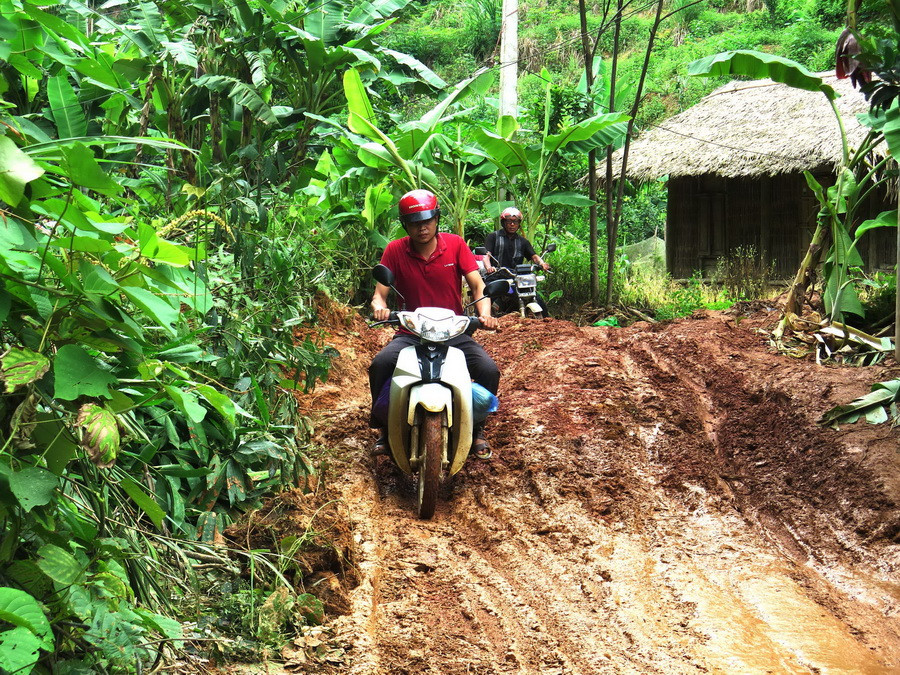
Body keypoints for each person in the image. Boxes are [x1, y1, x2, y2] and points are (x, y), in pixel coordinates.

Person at [369, 189, 500, 459]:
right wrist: (380, 309)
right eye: (414, 221)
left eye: (427, 220)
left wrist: (484, 312)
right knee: (380, 365)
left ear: (437, 218)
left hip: (452, 330)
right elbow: (379, 294)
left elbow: (478, 285)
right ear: (405, 224)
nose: (422, 227)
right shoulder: (394, 249)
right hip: (411, 332)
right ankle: (383, 426)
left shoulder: (455, 244)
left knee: (489, 371)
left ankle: (477, 429)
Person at [484, 207, 551, 314]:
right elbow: (486, 256)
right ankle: (484, 320)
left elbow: (534, 256)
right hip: (496, 275)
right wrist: (489, 268)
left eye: (515, 222)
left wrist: (542, 264)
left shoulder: (523, 241)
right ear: (503, 222)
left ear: (519, 224)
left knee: (536, 297)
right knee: (487, 297)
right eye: (509, 221)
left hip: (516, 277)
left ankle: (546, 322)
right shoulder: (493, 237)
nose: (512, 224)